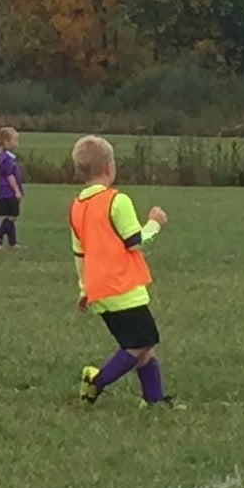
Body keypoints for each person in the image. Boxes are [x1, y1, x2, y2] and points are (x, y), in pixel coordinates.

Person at [69, 135, 173, 407]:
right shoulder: (117, 201)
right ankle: (97, 382)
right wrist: (154, 223)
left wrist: (84, 288)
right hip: (121, 286)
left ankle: (154, 400)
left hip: (99, 289)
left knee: (144, 347)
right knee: (141, 342)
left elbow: (80, 253)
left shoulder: (77, 207)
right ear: (108, 168)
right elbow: (134, 240)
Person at [0, 126, 25, 249]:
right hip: (8, 192)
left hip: (6, 191)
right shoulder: (6, 158)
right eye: (14, 140)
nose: (16, 143)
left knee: (12, 216)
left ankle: (13, 242)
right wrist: (17, 191)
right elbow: (10, 176)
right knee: (11, 216)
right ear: (6, 142)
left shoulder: (8, 157)